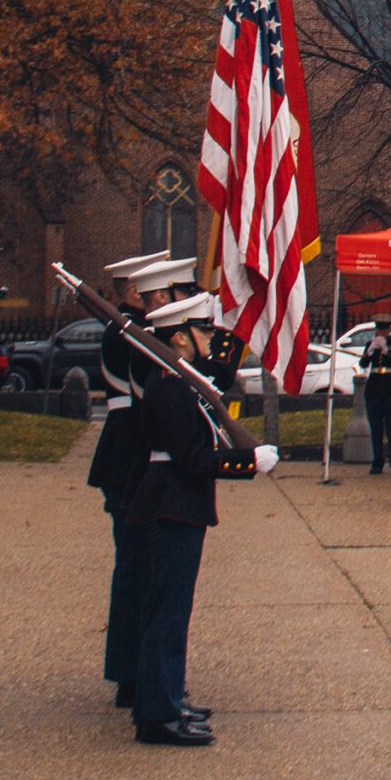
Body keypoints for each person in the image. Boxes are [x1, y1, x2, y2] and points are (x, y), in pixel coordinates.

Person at [125, 291, 271, 744]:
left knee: (171, 611)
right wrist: (247, 462)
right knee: (167, 614)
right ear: (181, 339)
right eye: (202, 330)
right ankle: (158, 715)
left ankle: (167, 700)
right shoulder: (170, 386)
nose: (209, 337)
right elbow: (191, 458)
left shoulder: (177, 379)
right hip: (173, 503)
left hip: (177, 502)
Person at [89, 253, 185, 711]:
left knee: (137, 571)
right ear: (134, 293)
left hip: (126, 452)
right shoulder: (132, 332)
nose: (171, 302)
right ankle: (135, 676)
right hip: (130, 455)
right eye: (165, 294)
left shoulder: (129, 328)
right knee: (139, 571)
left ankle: (135, 672)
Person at [361, 318, 391, 475]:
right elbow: (363, 364)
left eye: (384, 329)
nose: (381, 332)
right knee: (376, 428)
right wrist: (370, 351)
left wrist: (385, 349)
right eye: (379, 329)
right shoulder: (370, 344)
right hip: (374, 388)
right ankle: (377, 462)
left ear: (389, 330)